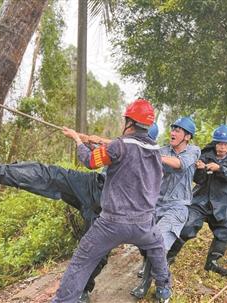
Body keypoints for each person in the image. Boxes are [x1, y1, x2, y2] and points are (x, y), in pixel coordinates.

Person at [0, 121, 159, 303]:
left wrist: (78, 141)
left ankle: (82, 292)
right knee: (50, 175)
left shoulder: (152, 157)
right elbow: (115, 151)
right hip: (93, 185)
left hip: (109, 209)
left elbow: (98, 159)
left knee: (96, 255)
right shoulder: (130, 148)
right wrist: (92, 142)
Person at [52, 98, 171, 303]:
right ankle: (164, 290)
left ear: (130, 122)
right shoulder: (156, 152)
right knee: (157, 250)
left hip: (111, 224)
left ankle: (63, 301)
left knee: (81, 261)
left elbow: (91, 161)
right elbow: (126, 151)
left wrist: (78, 141)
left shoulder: (119, 146)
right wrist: (96, 143)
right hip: (144, 223)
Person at [131, 117, 200, 299]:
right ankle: (148, 275)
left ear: (187, 136)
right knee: (146, 242)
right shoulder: (162, 150)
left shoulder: (193, 151)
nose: (173, 133)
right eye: (173, 129)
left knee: (158, 245)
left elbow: (180, 164)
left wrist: (154, 155)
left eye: (178, 130)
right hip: (155, 205)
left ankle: (159, 286)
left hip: (177, 207)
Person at [168, 125, 227, 276]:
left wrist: (220, 169)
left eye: (225, 144)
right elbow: (198, 180)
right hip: (202, 200)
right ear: (215, 143)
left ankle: (212, 262)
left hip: (224, 202)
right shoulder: (204, 156)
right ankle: (168, 257)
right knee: (187, 226)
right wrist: (201, 169)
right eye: (219, 143)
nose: (222, 147)